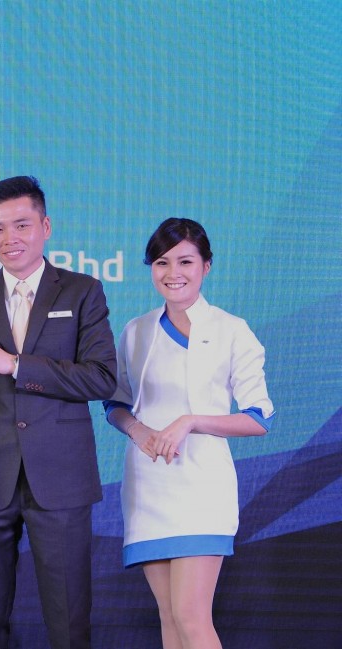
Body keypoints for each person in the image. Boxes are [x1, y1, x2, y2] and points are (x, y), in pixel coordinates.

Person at [0, 176, 117, 649]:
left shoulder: (82, 291)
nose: (9, 239)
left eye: (21, 225)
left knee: (66, 618)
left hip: (60, 479)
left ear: (46, 226)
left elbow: (101, 377)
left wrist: (16, 365)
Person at [104, 218, 274, 649]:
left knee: (190, 616)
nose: (172, 273)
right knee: (168, 618)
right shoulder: (136, 330)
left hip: (202, 487)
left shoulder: (231, 330)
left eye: (185, 261)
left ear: (206, 267)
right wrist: (140, 432)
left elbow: (258, 417)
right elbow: (116, 406)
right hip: (148, 486)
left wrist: (192, 421)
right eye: (161, 262)